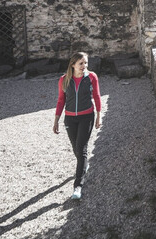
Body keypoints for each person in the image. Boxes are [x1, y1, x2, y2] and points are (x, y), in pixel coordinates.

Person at [52, 52, 102, 200]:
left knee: (81, 149)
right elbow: (61, 101)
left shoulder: (92, 77)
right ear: (73, 65)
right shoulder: (64, 80)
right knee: (76, 149)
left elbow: (97, 97)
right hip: (70, 119)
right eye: (81, 63)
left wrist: (99, 116)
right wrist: (56, 120)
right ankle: (83, 164)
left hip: (87, 117)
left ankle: (77, 187)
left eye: (86, 63)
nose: (84, 66)